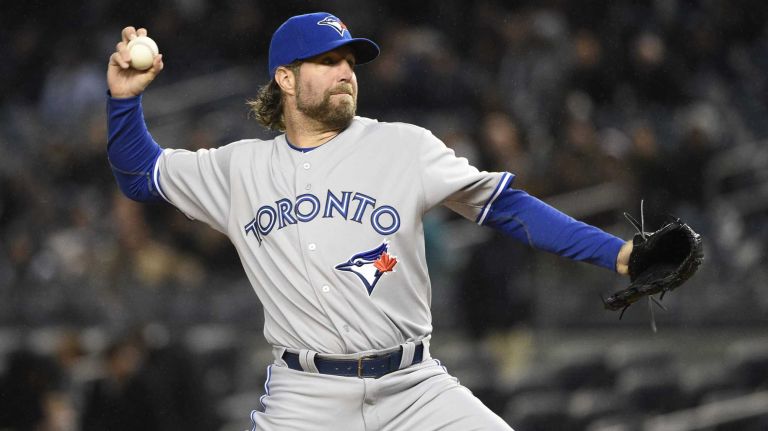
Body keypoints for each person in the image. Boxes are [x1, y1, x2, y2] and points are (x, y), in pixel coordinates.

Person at [106, 12, 632, 430]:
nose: (345, 72)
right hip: (305, 397)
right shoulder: (238, 167)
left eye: (350, 62)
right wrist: (125, 101)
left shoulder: (403, 146)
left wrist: (618, 253)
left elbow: (507, 206)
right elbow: (140, 173)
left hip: (413, 388)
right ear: (285, 79)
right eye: (327, 60)